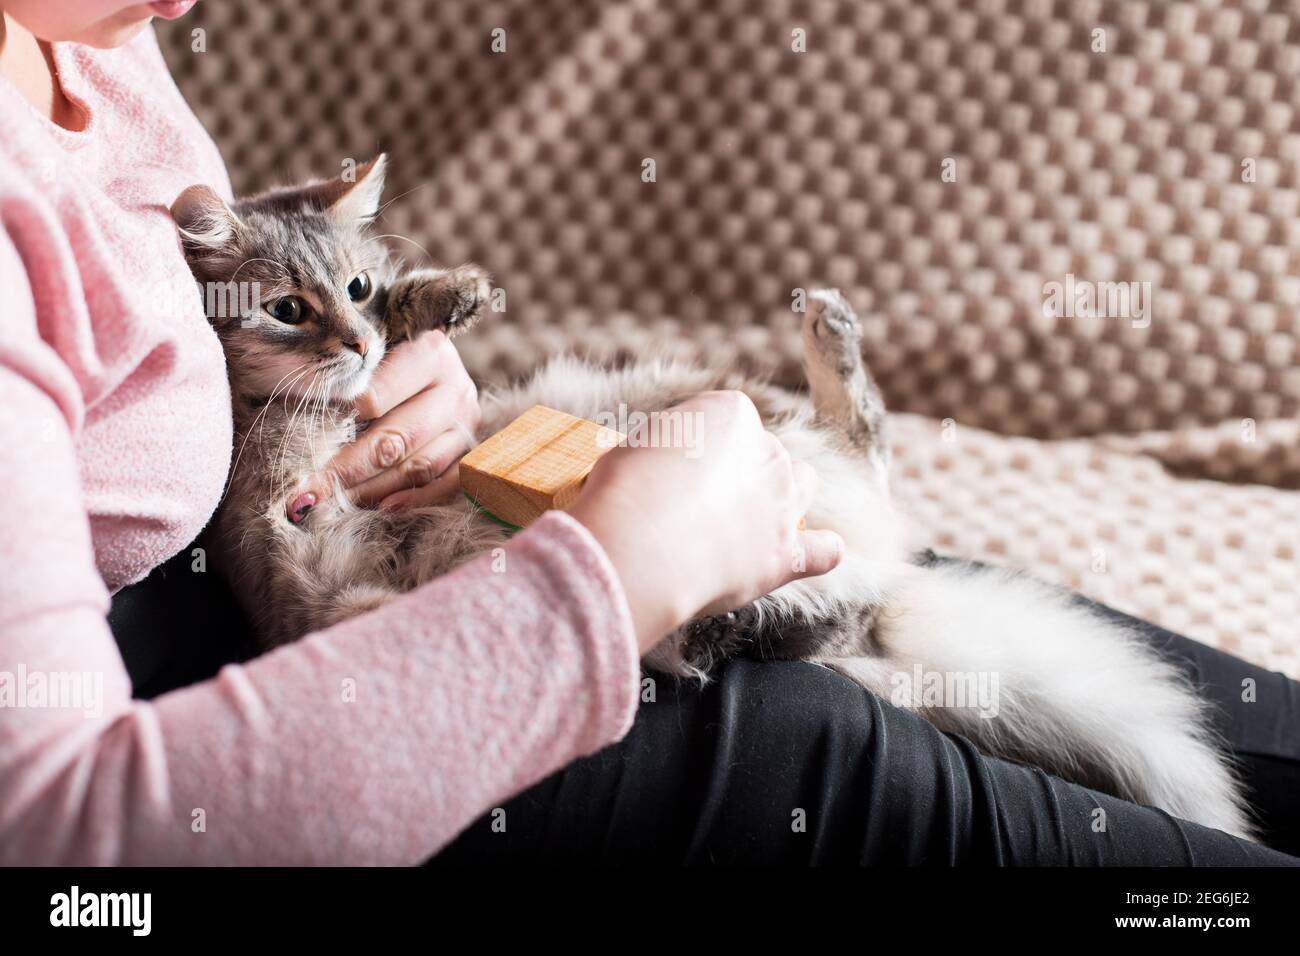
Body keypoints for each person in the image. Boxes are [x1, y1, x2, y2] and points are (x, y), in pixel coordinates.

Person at [0, 1, 1295, 866]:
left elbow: (144, 331)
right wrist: (612, 583)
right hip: (349, 721)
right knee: (906, 765)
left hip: (429, 576)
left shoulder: (76, 30)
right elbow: (66, 842)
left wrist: (384, 389)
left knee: (974, 622)